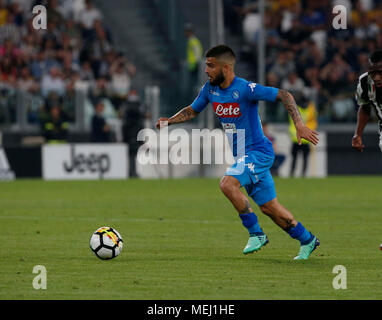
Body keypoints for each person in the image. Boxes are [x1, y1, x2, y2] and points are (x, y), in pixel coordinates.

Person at [156, 45, 320, 260]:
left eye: (211, 66)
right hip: (242, 155)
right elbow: (191, 111)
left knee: (227, 183)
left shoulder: (245, 89)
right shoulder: (209, 90)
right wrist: (169, 120)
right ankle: (308, 240)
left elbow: (285, 95)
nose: (206, 70)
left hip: (258, 153)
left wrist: (299, 124)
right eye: (206, 65)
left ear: (226, 67)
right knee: (270, 208)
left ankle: (256, 234)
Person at [352, 50, 382, 153]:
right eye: (373, 73)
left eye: (380, 72)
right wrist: (358, 134)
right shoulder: (364, 82)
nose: (377, 77)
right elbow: (365, 107)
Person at [288, 92, 317, 177]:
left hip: (297, 137)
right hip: (304, 137)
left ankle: (293, 173)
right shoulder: (311, 109)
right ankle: (301, 174)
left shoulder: (296, 109)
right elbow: (313, 122)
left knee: (296, 158)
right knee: (303, 158)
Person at [184, 23, 203, 102]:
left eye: (187, 31)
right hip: (192, 65)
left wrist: (197, 62)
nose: (185, 33)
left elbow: (197, 53)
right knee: (193, 85)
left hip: (194, 66)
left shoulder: (193, 41)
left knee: (194, 85)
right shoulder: (191, 41)